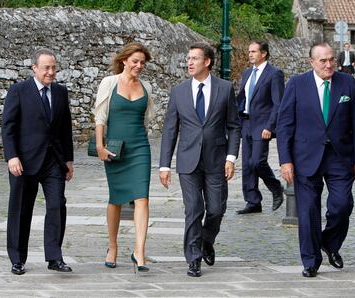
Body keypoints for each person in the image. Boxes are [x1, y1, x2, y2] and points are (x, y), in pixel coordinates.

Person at [277, 42, 355, 278]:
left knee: (342, 205)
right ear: (311, 62)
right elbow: (285, 125)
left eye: (331, 60)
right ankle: (310, 260)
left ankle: (328, 242)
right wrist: (285, 160)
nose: (329, 65)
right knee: (307, 212)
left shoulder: (347, 82)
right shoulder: (297, 84)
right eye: (323, 61)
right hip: (305, 157)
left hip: (340, 157)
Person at [159, 42, 240, 277]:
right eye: (188, 58)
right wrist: (165, 165)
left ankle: (206, 240)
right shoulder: (179, 91)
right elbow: (170, 130)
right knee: (194, 209)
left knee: (215, 209)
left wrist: (231, 157)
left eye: (194, 58)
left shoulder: (225, 89)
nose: (189, 63)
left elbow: (234, 126)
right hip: (187, 161)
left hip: (216, 160)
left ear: (207, 62)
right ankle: (193, 258)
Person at [1, 48, 74, 275]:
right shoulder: (19, 91)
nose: (51, 72)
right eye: (46, 68)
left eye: (53, 67)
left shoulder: (61, 92)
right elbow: (8, 126)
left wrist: (69, 160)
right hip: (24, 162)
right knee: (21, 210)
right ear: (35, 68)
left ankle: (54, 257)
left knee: (57, 206)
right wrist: (12, 156)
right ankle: (17, 258)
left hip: (53, 161)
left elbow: (65, 129)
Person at [93, 42, 154, 273]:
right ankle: (112, 246)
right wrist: (100, 146)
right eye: (135, 61)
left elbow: (147, 121)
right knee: (116, 198)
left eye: (142, 62)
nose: (139, 66)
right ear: (124, 60)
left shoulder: (146, 86)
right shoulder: (109, 83)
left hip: (140, 147)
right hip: (115, 149)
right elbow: (100, 118)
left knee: (142, 198)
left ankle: (139, 251)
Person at [235, 41, 285, 215]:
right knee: (247, 165)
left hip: (263, 125)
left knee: (257, 161)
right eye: (249, 51)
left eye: (253, 51)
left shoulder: (274, 74)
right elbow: (243, 97)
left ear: (263, 53)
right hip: (246, 123)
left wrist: (270, 126)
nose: (250, 54)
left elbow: (278, 103)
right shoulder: (248, 73)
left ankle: (276, 187)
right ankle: (253, 201)